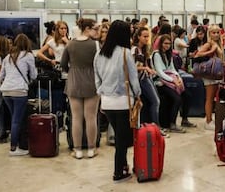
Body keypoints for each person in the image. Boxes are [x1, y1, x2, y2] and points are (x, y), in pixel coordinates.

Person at [94, 20, 141, 182]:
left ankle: (123, 166)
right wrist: (138, 94)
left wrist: (101, 95)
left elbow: (97, 80)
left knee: (120, 136)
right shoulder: (125, 53)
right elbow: (134, 78)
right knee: (122, 140)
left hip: (106, 102)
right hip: (123, 101)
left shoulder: (100, 54)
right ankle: (118, 173)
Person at [60, 18, 100, 159]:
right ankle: (91, 148)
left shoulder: (70, 44)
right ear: (87, 28)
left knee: (76, 117)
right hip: (91, 83)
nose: (98, 31)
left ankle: (77, 150)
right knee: (91, 117)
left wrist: (72, 70)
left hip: (74, 82)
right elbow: (99, 65)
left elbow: (63, 64)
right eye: (95, 28)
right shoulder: (95, 45)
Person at [0, 34, 37, 156]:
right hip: (19, 91)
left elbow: (1, 76)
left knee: (15, 119)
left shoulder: (8, 57)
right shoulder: (28, 55)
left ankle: (20, 145)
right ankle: (14, 148)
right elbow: (34, 75)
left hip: (6, 91)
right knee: (16, 120)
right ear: (27, 43)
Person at [152, 34, 195, 132]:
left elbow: (172, 69)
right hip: (160, 82)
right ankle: (172, 124)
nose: (167, 46)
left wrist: (178, 78)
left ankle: (184, 119)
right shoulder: (157, 54)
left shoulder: (168, 54)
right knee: (177, 99)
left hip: (171, 80)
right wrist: (173, 80)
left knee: (187, 95)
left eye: (168, 43)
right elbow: (160, 72)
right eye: (165, 43)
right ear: (161, 43)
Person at [131, 27, 167, 137]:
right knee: (155, 101)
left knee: (153, 101)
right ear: (138, 37)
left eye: (148, 36)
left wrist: (148, 69)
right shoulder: (134, 50)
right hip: (139, 80)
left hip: (144, 78)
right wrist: (146, 69)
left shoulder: (144, 49)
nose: (147, 39)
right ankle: (156, 127)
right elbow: (130, 67)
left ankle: (154, 126)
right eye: (144, 36)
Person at [194, 25, 224, 130]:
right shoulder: (209, 44)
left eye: (217, 32)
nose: (216, 34)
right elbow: (197, 55)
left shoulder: (219, 43)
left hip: (217, 73)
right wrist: (211, 51)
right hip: (210, 74)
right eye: (213, 32)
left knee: (216, 98)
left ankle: (212, 119)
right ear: (209, 33)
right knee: (210, 98)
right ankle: (208, 120)